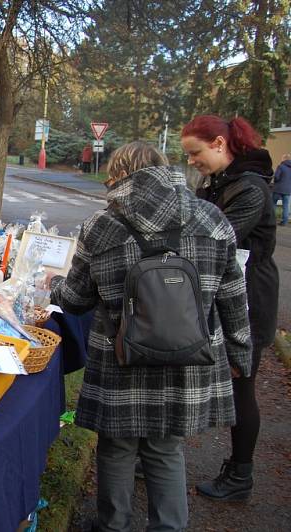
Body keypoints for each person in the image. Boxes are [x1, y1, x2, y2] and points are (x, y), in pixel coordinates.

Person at [50, 141, 251, 531]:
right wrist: (241, 355)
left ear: (120, 174)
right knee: (166, 448)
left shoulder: (102, 225)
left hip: (120, 356)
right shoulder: (213, 220)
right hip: (189, 359)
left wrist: (53, 285)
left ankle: (114, 525)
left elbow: (75, 300)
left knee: (117, 447)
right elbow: (233, 299)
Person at [181, 115, 278, 501]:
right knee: (192, 374)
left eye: (195, 153)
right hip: (221, 295)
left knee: (242, 386)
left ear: (220, 144)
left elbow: (215, 240)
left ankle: (240, 475)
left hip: (249, 302)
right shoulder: (219, 183)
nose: (191, 162)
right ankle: (159, 454)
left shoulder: (250, 189)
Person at [273, 153, 291, 226]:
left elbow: (276, 177)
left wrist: (275, 181)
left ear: (284, 159)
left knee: (274, 204)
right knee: (285, 206)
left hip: (278, 188)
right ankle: (285, 222)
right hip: (288, 190)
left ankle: (272, 220)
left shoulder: (280, 166)